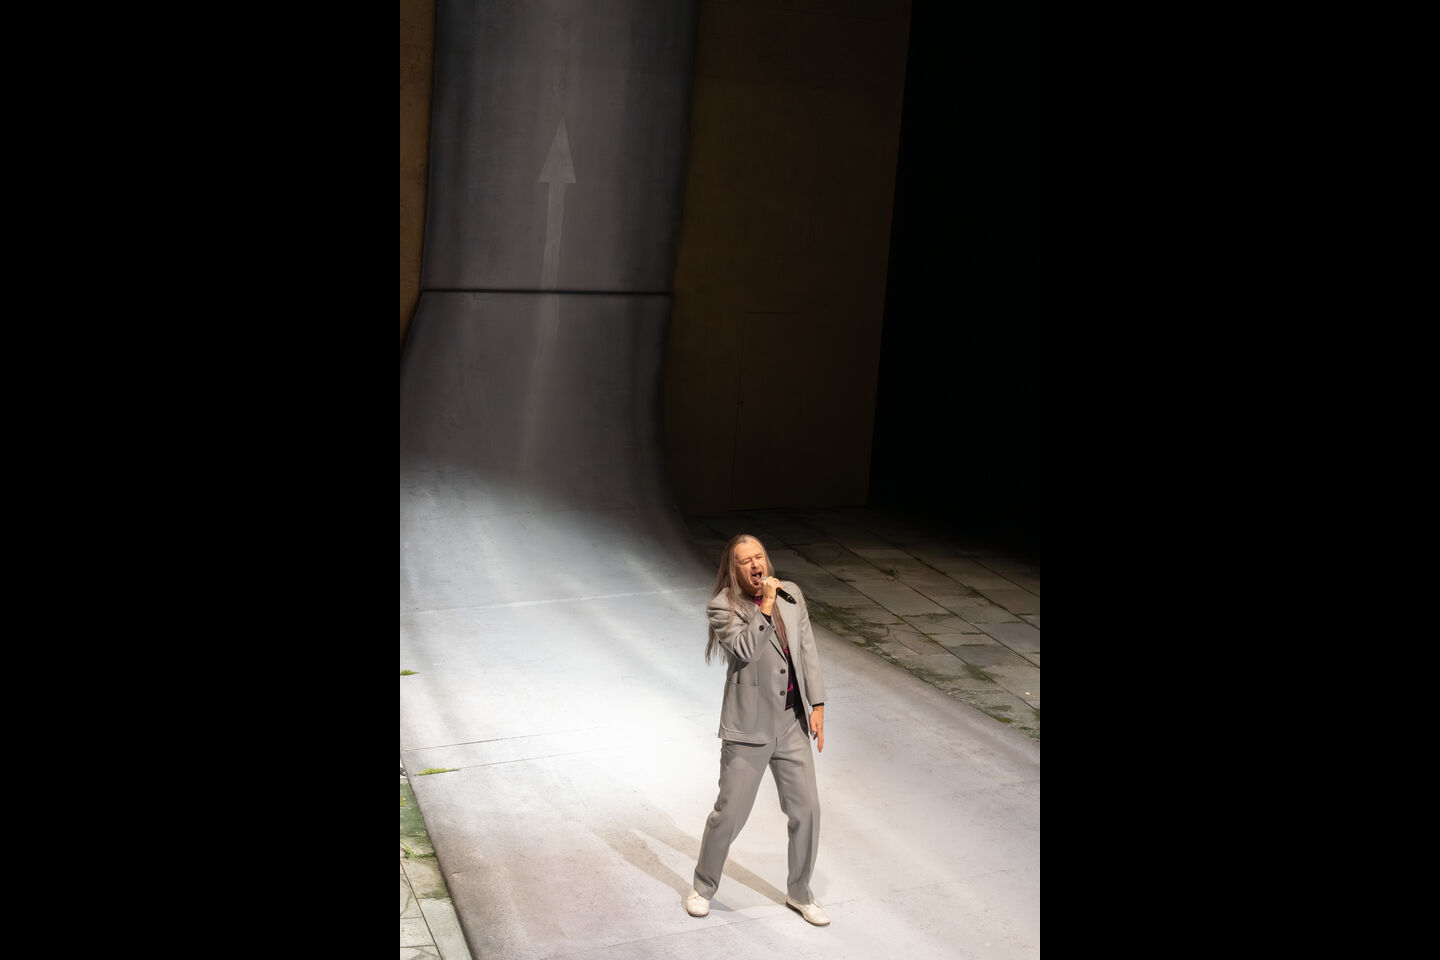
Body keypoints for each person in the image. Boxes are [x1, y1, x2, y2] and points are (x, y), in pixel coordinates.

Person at [684, 533, 830, 926]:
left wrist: (817, 704)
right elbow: (746, 650)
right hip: (748, 728)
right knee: (729, 813)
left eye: (759, 556)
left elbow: (807, 650)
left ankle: (800, 892)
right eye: (745, 560)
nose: (755, 564)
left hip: (791, 721)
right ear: (733, 569)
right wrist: (765, 606)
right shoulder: (722, 607)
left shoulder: (791, 595)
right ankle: (703, 886)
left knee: (807, 810)